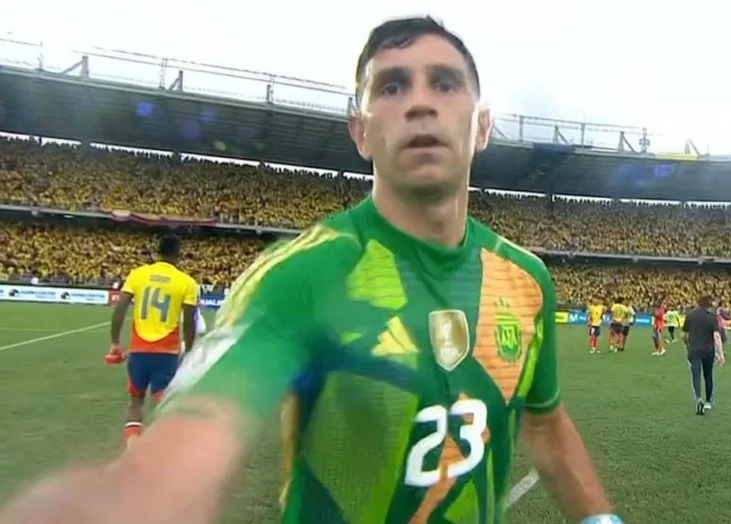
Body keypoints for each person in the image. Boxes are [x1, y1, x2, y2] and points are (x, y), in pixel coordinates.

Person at [0, 17, 620, 524]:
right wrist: (134, 493)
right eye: (392, 87)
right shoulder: (300, 275)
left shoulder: (525, 278)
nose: (420, 103)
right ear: (360, 131)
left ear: (481, 126)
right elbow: (202, 424)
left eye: (445, 84)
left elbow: (545, 423)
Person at [104, 235, 199, 449]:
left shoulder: (138, 274)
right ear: (178, 254)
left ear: (157, 252)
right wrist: (190, 349)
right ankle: (161, 449)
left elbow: (120, 307)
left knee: (136, 400)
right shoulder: (186, 282)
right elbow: (189, 320)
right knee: (164, 402)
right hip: (166, 353)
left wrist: (115, 342)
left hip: (138, 350)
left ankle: (132, 448)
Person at [682, 295, 725, 416]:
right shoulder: (712, 317)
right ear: (709, 305)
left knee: (696, 375)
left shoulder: (690, 315)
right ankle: (708, 402)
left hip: (694, 350)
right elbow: (716, 336)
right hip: (708, 350)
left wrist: (687, 344)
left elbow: (684, 335)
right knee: (708, 375)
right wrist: (720, 354)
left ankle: (698, 399)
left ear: (698, 303)